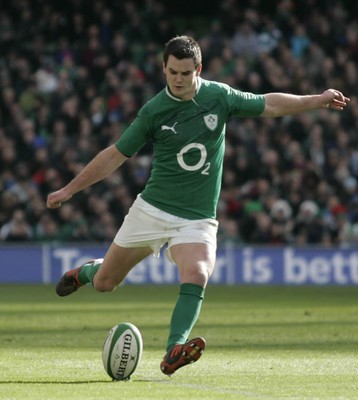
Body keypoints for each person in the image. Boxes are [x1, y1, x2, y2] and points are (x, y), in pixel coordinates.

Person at [46, 35, 350, 376]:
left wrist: (317, 100)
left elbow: (269, 104)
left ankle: (174, 348)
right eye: (172, 71)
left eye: (186, 73)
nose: (178, 79)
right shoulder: (153, 111)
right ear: (164, 68)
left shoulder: (218, 96)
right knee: (105, 283)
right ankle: (86, 272)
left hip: (197, 218)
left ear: (198, 69)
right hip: (152, 210)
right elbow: (116, 155)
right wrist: (69, 190)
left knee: (198, 272)